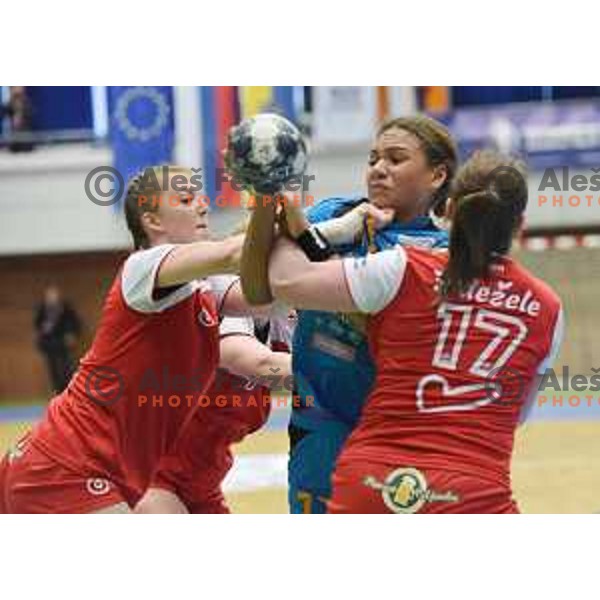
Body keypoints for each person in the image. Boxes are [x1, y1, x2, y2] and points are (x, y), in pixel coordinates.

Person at [251, 150, 564, 513]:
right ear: (520, 224)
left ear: (448, 212)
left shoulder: (401, 268)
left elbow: (285, 280)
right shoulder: (548, 307)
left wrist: (308, 223)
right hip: (473, 495)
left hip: (372, 480)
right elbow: (518, 415)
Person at [0, 166, 263, 514]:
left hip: (90, 471)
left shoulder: (201, 285)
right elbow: (232, 254)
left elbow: (269, 296)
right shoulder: (145, 265)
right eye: (186, 200)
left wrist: (334, 238)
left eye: (200, 198)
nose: (202, 206)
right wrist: (272, 195)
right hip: (65, 468)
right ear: (153, 221)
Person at [241, 115, 457, 513]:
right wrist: (266, 196)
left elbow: (369, 318)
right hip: (319, 428)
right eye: (374, 158)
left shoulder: (444, 253)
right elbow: (256, 290)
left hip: (403, 436)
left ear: (436, 175)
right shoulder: (334, 212)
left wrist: (315, 239)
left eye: (396, 158)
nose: (379, 168)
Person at [135, 309, 294, 514]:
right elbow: (262, 365)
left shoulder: (285, 324)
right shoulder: (217, 310)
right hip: (151, 475)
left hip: (203, 484)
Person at [34, 285, 82, 394]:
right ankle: (57, 391)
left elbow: (75, 322)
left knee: (66, 367)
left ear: (58, 297)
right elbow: (37, 324)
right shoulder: (42, 308)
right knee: (53, 369)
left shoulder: (65, 307)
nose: (52, 299)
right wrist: (42, 330)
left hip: (63, 342)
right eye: (49, 297)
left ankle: (70, 390)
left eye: (54, 296)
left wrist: (72, 334)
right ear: (46, 298)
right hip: (49, 343)